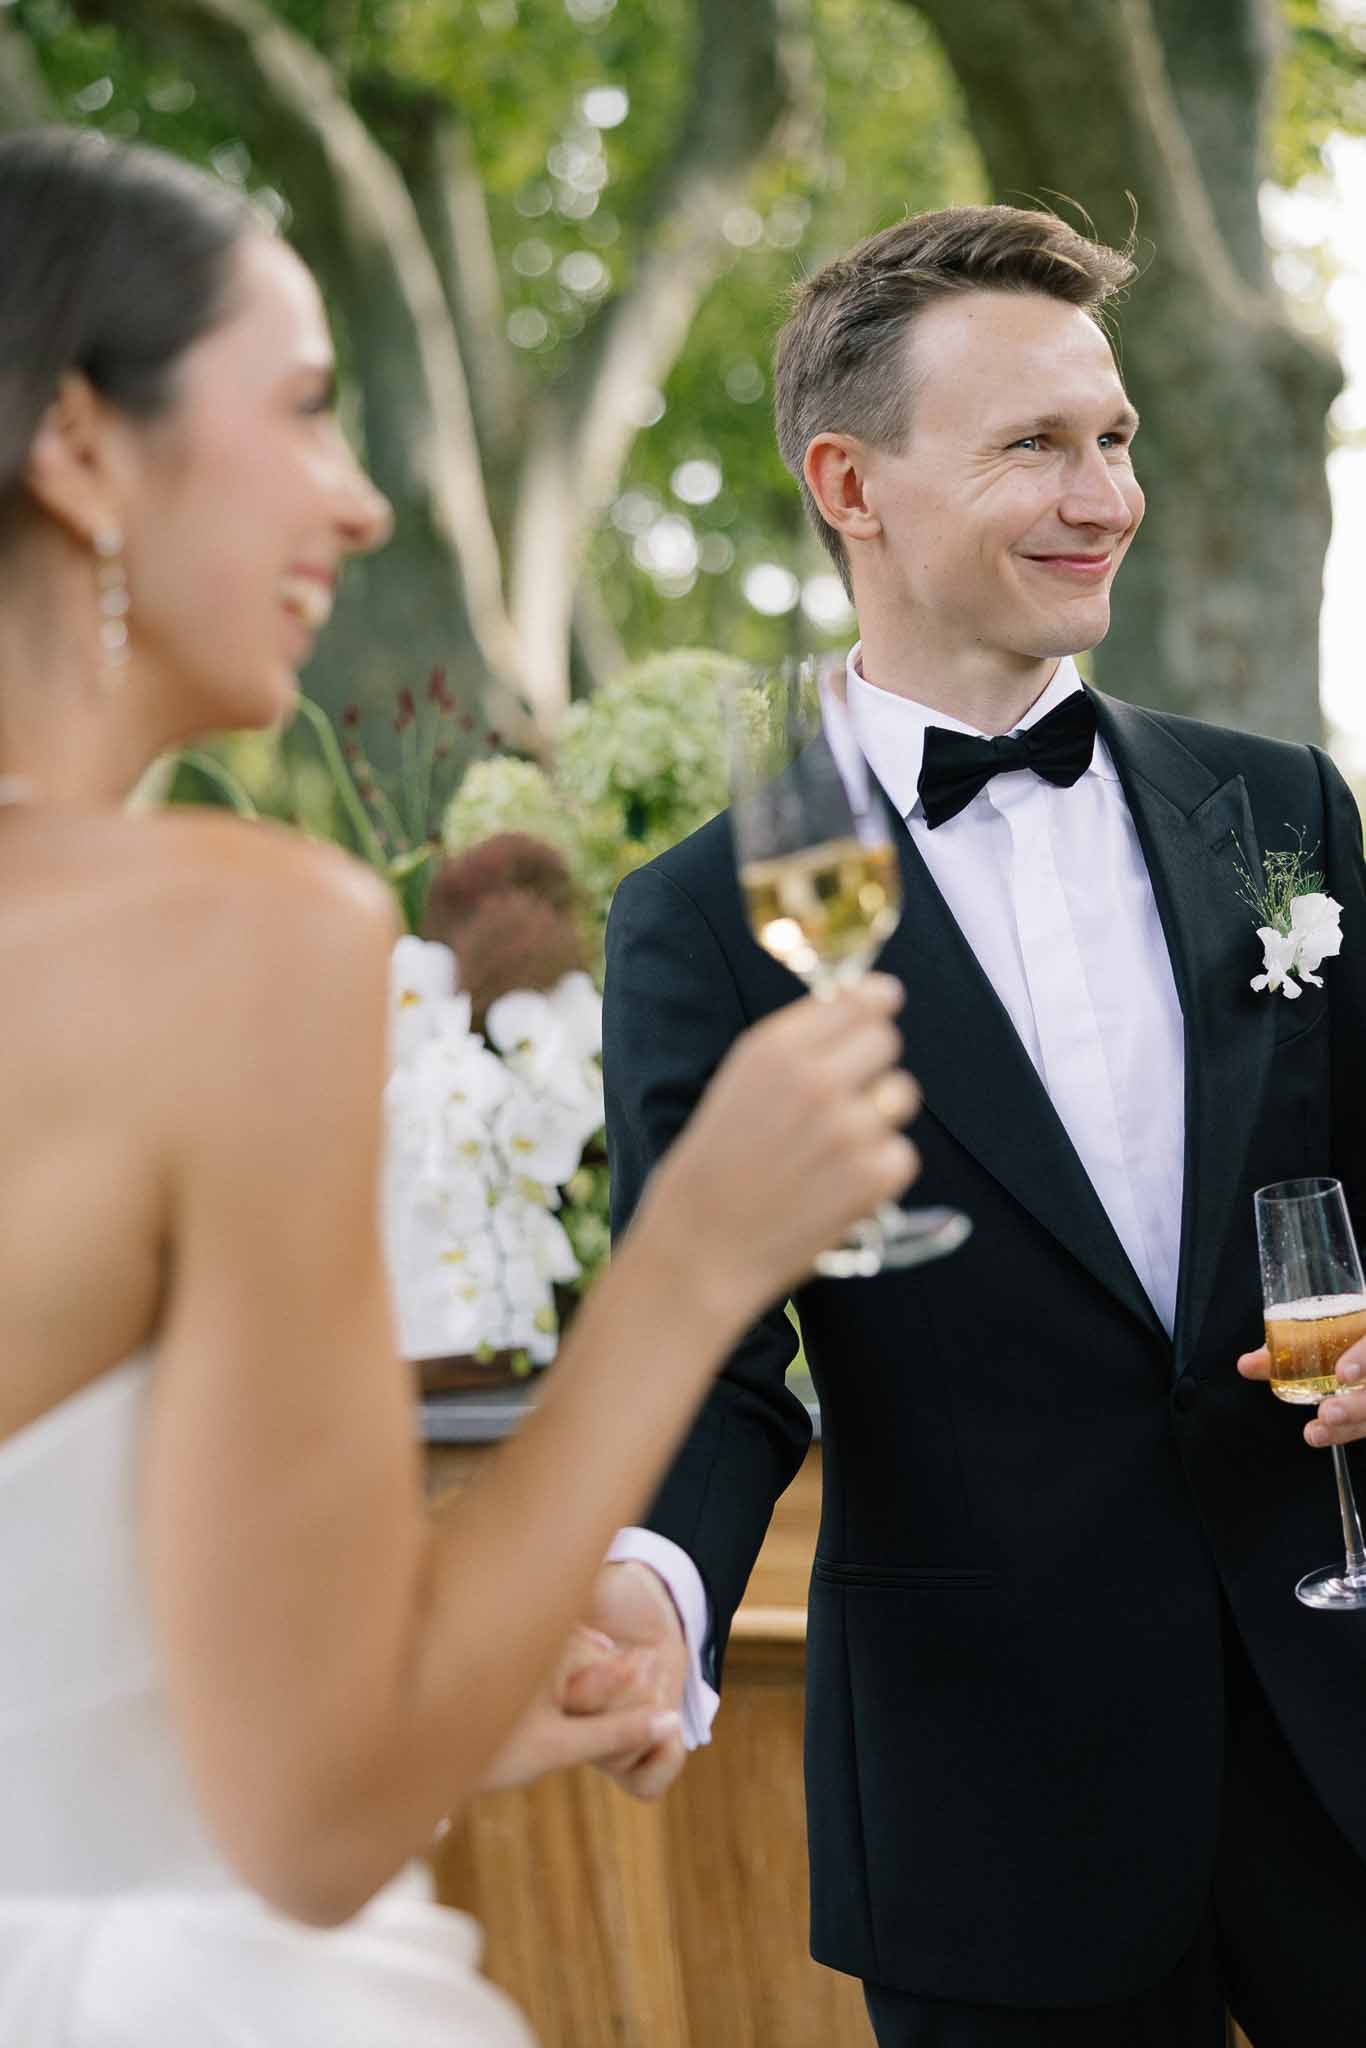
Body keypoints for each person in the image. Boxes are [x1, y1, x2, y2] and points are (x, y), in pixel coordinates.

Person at [0, 126, 921, 2045]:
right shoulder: (250, 939)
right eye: (303, 409)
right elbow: (313, 1828)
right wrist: (691, 1263)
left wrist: (475, 1689)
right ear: (80, 445)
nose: (356, 504)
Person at [593, 203, 1366, 2047]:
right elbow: (703, 1343)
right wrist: (652, 1583)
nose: (1103, 497)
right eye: (1032, 445)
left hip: (1340, 1728)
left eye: (1111, 438)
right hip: (992, 1803)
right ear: (846, 485)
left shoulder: (1278, 812)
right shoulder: (705, 918)